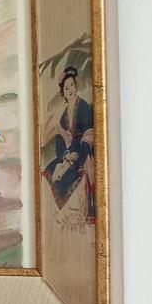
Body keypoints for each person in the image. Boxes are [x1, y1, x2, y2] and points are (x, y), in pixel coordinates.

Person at [43, 65, 94, 221]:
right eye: (66, 88)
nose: (71, 89)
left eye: (72, 85)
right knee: (49, 170)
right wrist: (66, 155)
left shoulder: (83, 106)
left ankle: (78, 214)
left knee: (72, 174)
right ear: (63, 94)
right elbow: (60, 138)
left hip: (84, 151)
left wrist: (77, 156)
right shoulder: (63, 116)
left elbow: (88, 133)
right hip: (69, 152)